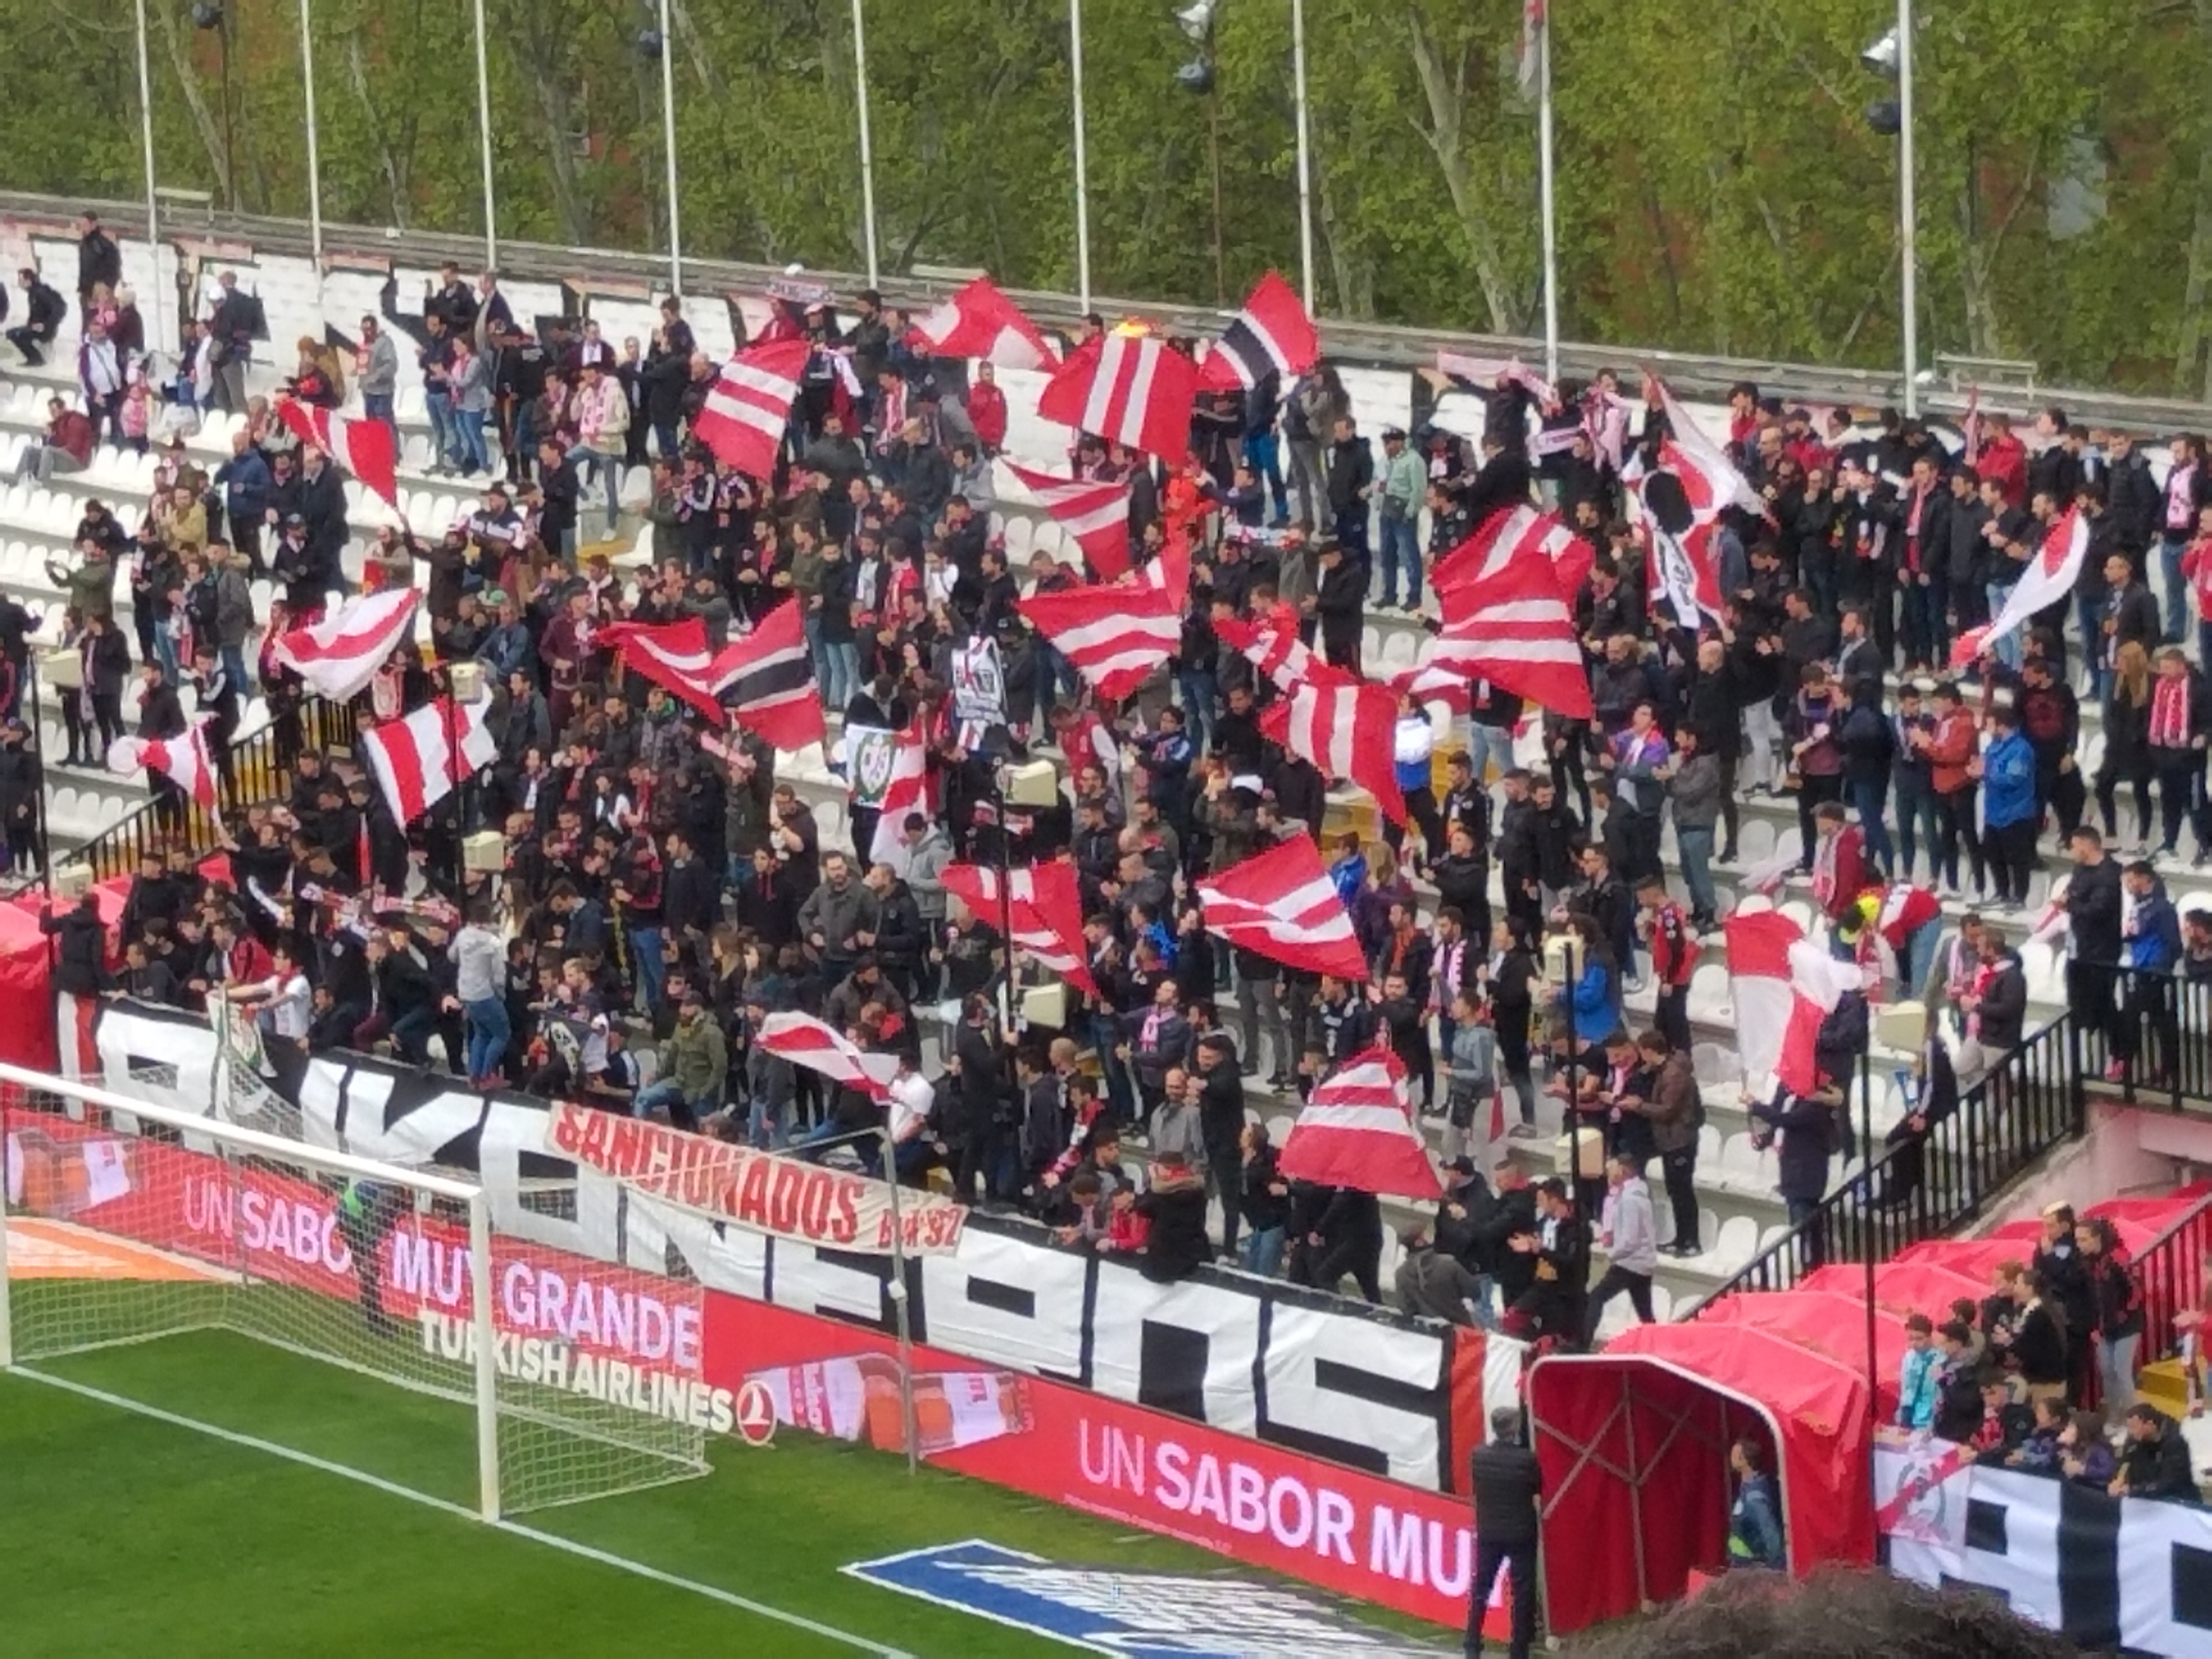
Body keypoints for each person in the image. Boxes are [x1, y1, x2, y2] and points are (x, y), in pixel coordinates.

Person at [1466, 1407, 1540, 1659]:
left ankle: (1472, 1642)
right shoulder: (1526, 1460)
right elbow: (1538, 1487)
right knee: (1522, 1591)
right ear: (1514, 1428)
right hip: (1521, 1533)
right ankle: (1519, 1647)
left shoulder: (1478, 1455)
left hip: (1489, 1531)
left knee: (1481, 1587)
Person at [1581, 1153, 1657, 1344]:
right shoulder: (1637, 1196)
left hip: (1630, 1263)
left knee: (1596, 1297)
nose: (1609, 1173)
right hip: (1641, 1262)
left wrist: (1613, 1255)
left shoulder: (1630, 1200)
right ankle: (1657, 1344)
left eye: (1612, 1169)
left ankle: (1582, 1343)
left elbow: (1631, 1239)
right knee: (1646, 1313)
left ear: (1623, 1170)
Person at [2111, 1403, 2198, 1502]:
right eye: (2129, 1427)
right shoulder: (2133, 1441)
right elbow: (2124, 1462)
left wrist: (2134, 1490)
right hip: (2144, 1496)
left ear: (2150, 1424)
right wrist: (2118, 1480)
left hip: (2177, 1499)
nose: (2131, 1432)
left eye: (2134, 1427)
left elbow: (2169, 1482)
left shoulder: (2175, 1443)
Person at [1724, 1438, 1784, 1569]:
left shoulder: (1755, 1497)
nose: (1731, 1457)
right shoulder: (1746, 1489)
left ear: (1745, 1460)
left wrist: (1776, 1567)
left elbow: (1770, 1533)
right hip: (1742, 1563)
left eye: (1735, 1454)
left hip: (1752, 1567)